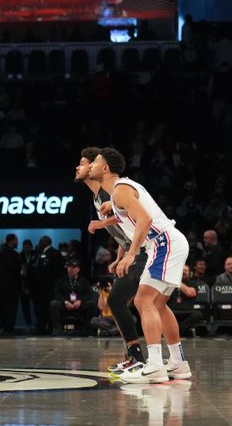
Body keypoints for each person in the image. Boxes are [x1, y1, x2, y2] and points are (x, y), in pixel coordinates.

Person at [89, 147, 191, 383]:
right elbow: (133, 214)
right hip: (169, 241)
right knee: (158, 305)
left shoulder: (120, 190)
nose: (91, 166)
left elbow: (144, 219)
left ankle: (154, 365)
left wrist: (130, 254)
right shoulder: (121, 191)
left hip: (162, 243)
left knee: (142, 300)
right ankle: (178, 363)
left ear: (105, 168)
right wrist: (108, 218)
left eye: (94, 162)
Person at [76, 147, 145, 371]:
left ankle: (140, 357)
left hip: (146, 250)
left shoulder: (110, 192)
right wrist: (120, 256)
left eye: (84, 162)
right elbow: (124, 231)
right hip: (135, 250)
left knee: (122, 301)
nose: (79, 166)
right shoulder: (98, 196)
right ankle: (144, 356)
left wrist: (101, 223)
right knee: (140, 303)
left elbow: (132, 218)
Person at [49, 260, 97, 335]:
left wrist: (80, 301)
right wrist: (65, 302)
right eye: (69, 267)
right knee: (54, 304)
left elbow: (89, 294)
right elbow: (57, 294)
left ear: (78, 269)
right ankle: (58, 329)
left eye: (74, 267)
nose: (71, 269)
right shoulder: (61, 280)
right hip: (65, 304)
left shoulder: (83, 281)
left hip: (79, 304)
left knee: (91, 304)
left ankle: (88, 329)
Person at [29, 235, 64, 334]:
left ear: (46, 242)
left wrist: (53, 285)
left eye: (41, 241)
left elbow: (57, 272)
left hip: (49, 288)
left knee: (47, 308)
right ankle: (40, 328)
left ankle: (49, 328)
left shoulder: (54, 253)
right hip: (38, 288)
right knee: (39, 309)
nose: (39, 243)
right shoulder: (38, 253)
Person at [0, 234, 22, 335]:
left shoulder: (3, 251)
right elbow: (14, 269)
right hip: (9, 287)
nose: (18, 242)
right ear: (12, 241)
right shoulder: (10, 253)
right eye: (16, 240)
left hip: (3, 287)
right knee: (9, 309)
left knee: (4, 309)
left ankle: (7, 328)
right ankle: (8, 329)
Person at [168, 265, 205, 336]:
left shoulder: (193, 283)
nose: (184, 272)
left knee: (198, 314)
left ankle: (176, 331)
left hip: (187, 312)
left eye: (186, 271)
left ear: (189, 273)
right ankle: (181, 331)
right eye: (182, 270)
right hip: (172, 312)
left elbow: (190, 293)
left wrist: (177, 282)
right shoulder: (170, 284)